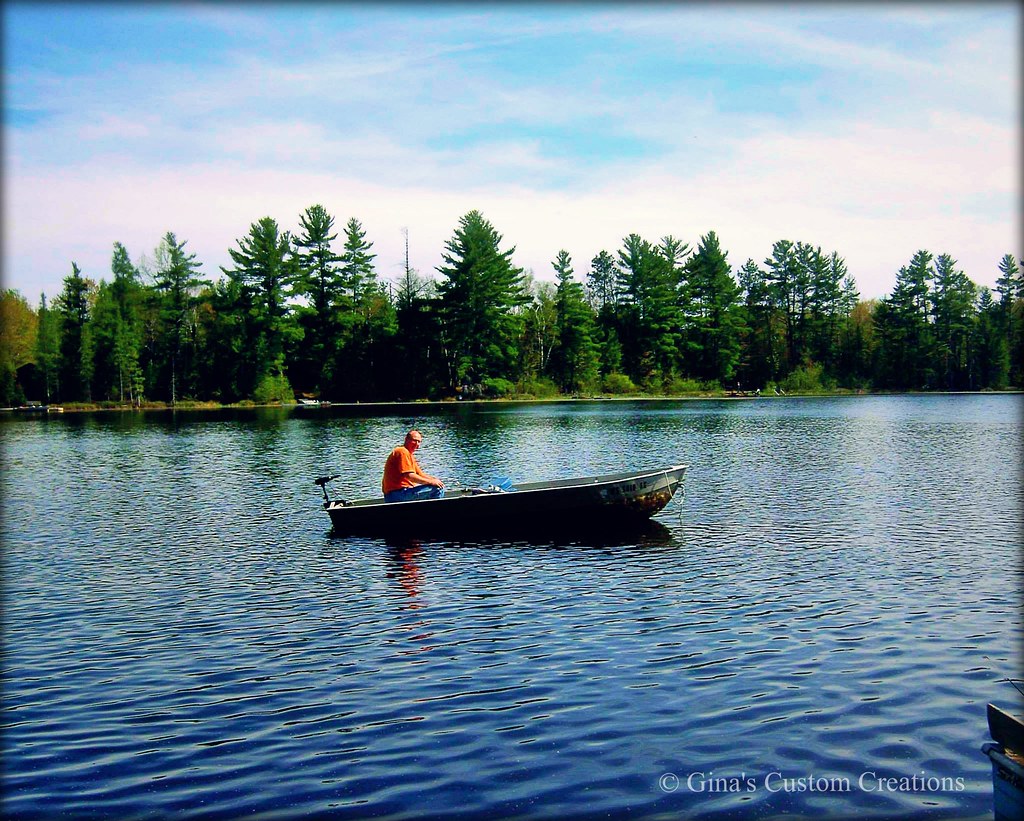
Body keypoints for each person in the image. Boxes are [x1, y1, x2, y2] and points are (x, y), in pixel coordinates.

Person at [382, 430, 445, 502]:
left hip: (401, 493)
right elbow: (409, 476)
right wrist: (431, 482)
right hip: (396, 494)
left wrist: (435, 480)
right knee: (437, 489)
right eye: (414, 440)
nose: (417, 444)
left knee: (438, 485)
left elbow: (420, 474)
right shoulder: (402, 451)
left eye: (419, 442)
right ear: (406, 439)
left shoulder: (409, 455)